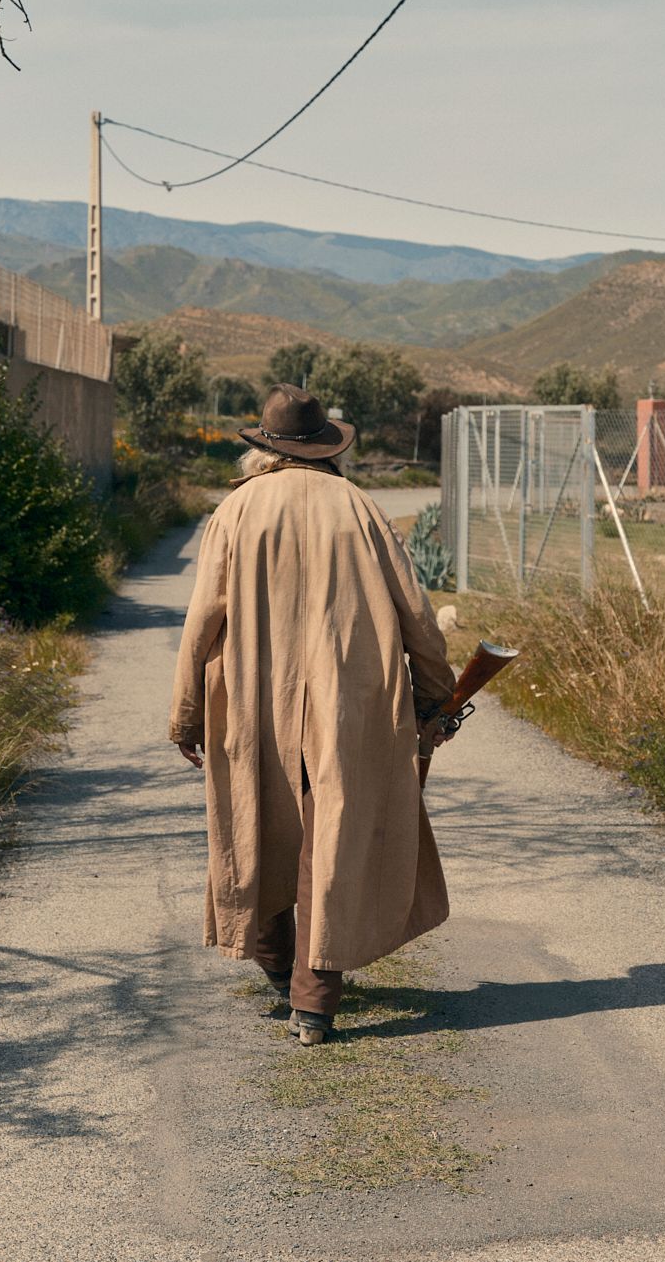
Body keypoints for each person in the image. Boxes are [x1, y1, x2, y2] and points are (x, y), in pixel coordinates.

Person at [169, 382, 458, 1046]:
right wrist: (435, 695)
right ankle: (314, 1001)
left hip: (252, 699)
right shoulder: (359, 508)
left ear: (263, 450)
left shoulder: (236, 512)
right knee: (330, 837)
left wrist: (187, 715)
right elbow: (417, 615)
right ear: (328, 448)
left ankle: (277, 966)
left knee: (258, 825)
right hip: (349, 704)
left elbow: (200, 623)